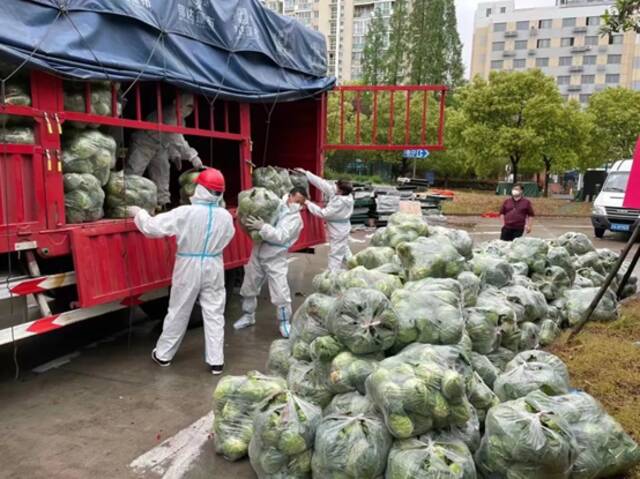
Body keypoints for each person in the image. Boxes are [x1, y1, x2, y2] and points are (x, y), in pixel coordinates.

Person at [127, 168, 234, 375]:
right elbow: (228, 237)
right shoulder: (225, 216)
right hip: (213, 264)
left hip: (188, 265)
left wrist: (138, 213)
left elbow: (151, 228)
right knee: (214, 313)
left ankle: (164, 354)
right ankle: (216, 361)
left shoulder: (185, 212)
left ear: (200, 188)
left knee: (179, 310)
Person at [233, 187, 308, 338]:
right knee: (249, 285)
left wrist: (263, 227)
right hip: (258, 251)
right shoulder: (275, 204)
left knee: (280, 291)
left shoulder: (295, 219)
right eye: (297, 200)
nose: (298, 205)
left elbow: (281, 236)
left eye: (301, 203)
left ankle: (284, 322)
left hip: (275, 256)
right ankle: (248, 315)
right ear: (290, 196)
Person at [126, 93, 203, 208]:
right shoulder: (168, 115)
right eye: (188, 106)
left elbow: (172, 140)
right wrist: (193, 156)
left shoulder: (181, 121)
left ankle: (163, 202)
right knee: (134, 171)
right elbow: (177, 139)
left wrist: (175, 155)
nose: (189, 110)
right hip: (144, 143)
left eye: (192, 107)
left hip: (161, 147)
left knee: (162, 172)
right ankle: (127, 200)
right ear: (177, 103)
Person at [295, 168, 354, 271]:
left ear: (341, 191)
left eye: (336, 186)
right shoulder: (342, 194)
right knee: (343, 249)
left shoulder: (340, 203)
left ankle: (332, 275)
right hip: (342, 228)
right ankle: (354, 266)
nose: (333, 187)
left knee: (335, 253)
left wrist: (307, 202)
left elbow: (323, 213)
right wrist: (306, 173)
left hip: (338, 230)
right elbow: (322, 184)